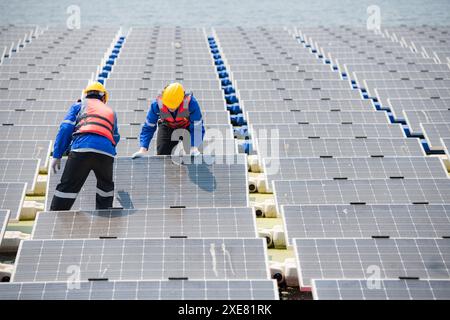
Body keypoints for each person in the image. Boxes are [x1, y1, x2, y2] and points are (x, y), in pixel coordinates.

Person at [50, 82, 120, 211]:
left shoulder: (79, 105)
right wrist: (109, 153)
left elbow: (65, 128)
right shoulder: (111, 111)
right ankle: (104, 221)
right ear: (104, 98)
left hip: (82, 148)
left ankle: (55, 216)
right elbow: (115, 137)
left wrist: (57, 154)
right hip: (106, 153)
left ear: (86, 95)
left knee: (68, 187)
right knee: (105, 188)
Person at [132, 82, 205, 158]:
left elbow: (197, 126)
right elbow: (149, 127)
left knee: (195, 156)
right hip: (167, 126)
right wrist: (143, 149)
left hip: (187, 127)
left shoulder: (191, 103)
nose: (171, 109)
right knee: (162, 155)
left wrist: (194, 147)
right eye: (168, 106)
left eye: (173, 107)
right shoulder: (156, 104)